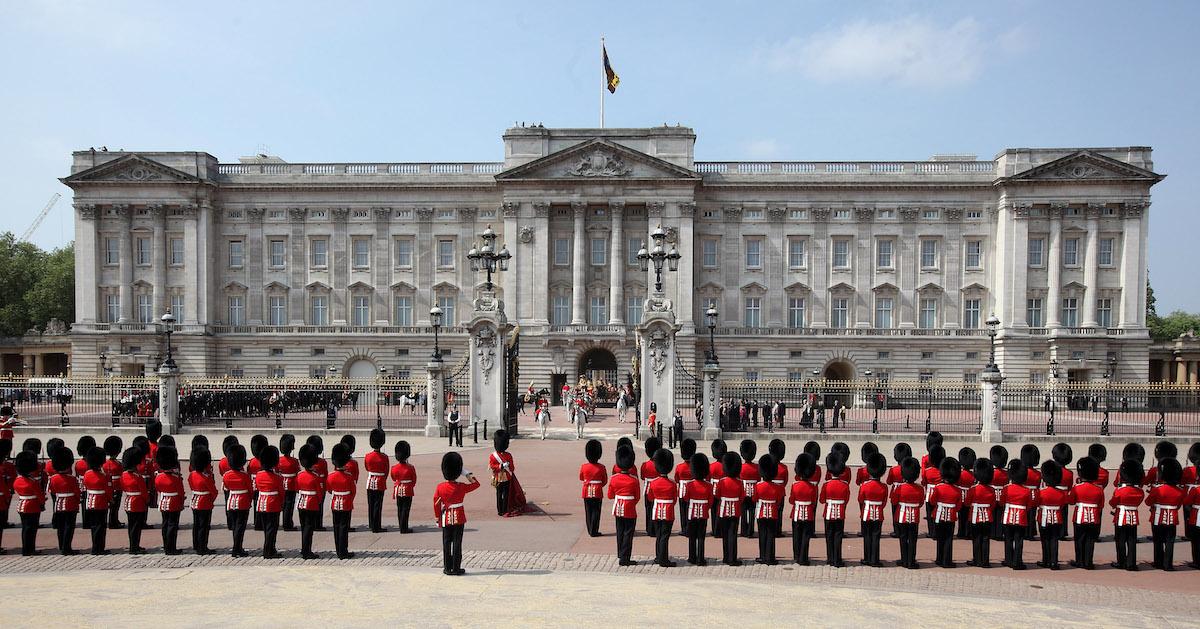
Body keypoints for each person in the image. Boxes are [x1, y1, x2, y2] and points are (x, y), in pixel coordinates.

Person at [434, 451, 480, 576]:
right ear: (457, 471)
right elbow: (476, 484)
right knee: (457, 543)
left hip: (445, 518)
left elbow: (436, 503)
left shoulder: (440, 487)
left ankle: (447, 567)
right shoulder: (461, 486)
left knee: (446, 543)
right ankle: (456, 567)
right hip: (459, 517)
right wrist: (466, 473)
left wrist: (437, 517)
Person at [1145, 457, 1184, 571]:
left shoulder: (1158, 489)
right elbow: (1178, 505)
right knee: (1170, 541)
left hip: (1157, 516)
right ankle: (1168, 564)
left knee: (1157, 540)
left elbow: (1148, 502)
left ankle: (1158, 562)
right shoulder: (1179, 491)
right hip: (1172, 518)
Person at [1111, 458, 1145, 571]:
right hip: (1133, 517)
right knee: (1131, 540)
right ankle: (1131, 563)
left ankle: (1121, 562)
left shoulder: (1120, 490)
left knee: (1120, 540)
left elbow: (1113, 503)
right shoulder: (1140, 491)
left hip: (1120, 516)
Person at [646, 449, 678, 567]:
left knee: (659, 535)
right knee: (665, 536)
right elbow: (674, 500)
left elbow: (650, 498)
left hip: (656, 511)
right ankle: (663, 560)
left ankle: (659, 557)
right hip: (668, 511)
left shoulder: (653, 483)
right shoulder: (672, 484)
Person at [608, 446, 640, 566]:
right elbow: (637, 497)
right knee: (628, 532)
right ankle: (625, 558)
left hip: (618, 507)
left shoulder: (614, 478)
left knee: (620, 531)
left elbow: (610, 495)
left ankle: (620, 553)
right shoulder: (634, 480)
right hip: (630, 507)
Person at [999, 460, 1032, 570]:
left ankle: (1008, 560)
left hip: (1008, 517)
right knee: (1019, 540)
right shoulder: (1027, 491)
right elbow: (1029, 506)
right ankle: (1017, 562)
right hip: (1021, 518)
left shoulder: (1006, 488)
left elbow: (1001, 503)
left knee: (1008, 539)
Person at [892, 457, 924, 569]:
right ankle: (911, 561)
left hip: (901, 516)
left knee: (903, 538)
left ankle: (904, 560)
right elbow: (920, 503)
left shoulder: (900, 488)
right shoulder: (920, 489)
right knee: (913, 539)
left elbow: (894, 501)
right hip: (914, 517)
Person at [930, 457, 962, 569]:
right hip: (951, 517)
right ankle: (946, 561)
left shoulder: (938, 487)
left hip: (938, 516)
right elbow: (958, 507)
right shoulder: (957, 490)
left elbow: (932, 501)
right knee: (948, 539)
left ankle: (939, 559)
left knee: (940, 539)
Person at [858, 453, 888, 567]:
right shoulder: (884, 487)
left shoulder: (865, 486)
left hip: (866, 513)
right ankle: (875, 559)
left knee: (867, 536)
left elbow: (861, 499)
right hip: (878, 513)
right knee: (876, 536)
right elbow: (884, 503)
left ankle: (867, 558)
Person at [1036, 461, 1067, 570]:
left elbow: (1036, 503)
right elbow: (1063, 505)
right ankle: (1054, 562)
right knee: (1054, 540)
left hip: (1043, 517)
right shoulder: (1061, 493)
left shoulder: (1041, 492)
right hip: (1057, 518)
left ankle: (1046, 561)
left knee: (1044, 540)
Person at [714, 451, 744, 566]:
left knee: (725, 534)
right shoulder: (739, 482)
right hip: (735, 510)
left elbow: (717, 495)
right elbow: (742, 497)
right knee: (733, 534)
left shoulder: (722, 482)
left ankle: (726, 557)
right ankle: (732, 558)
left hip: (723, 510)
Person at [820, 453, 850, 567]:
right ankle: (837, 559)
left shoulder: (826, 484)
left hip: (828, 513)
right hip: (840, 513)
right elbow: (846, 500)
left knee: (829, 536)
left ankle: (830, 558)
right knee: (838, 536)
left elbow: (822, 500)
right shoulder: (845, 485)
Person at [222, 444, 252, 558]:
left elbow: (226, 488)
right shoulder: (244, 476)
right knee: (240, 526)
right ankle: (237, 548)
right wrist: (249, 500)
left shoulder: (226, 475)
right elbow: (250, 490)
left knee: (235, 526)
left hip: (231, 502)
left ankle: (237, 547)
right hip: (243, 502)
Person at [48, 445, 79, 555]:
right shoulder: (72, 479)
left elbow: (51, 490)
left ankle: (62, 546)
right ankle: (67, 548)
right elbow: (77, 493)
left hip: (58, 504)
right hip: (70, 504)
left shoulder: (53, 478)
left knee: (60, 527)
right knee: (69, 527)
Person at [154, 446, 185, 555]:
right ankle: (171, 548)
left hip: (163, 502)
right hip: (174, 503)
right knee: (172, 525)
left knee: (165, 524)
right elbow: (181, 492)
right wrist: (182, 501)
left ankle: (166, 546)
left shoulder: (158, 477)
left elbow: (158, 489)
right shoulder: (175, 478)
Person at [328, 443, 356, 560]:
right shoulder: (349, 476)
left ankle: (338, 550)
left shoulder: (331, 476)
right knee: (343, 527)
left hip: (335, 502)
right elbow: (353, 492)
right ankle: (343, 551)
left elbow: (329, 490)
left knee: (336, 526)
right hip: (346, 503)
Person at [753, 454, 784, 565]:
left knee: (762, 534)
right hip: (773, 512)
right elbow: (779, 500)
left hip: (761, 512)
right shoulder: (778, 487)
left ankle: (762, 556)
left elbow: (754, 498)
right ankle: (770, 557)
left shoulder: (758, 486)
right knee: (771, 534)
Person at [254, 445, 284, 559]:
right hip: (273, 504)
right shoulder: (277, 477)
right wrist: (281, 502)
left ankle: (270, 548)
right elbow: (281, 493)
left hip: (262, 503)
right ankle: (268, 551)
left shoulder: (258, 475)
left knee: (267, 528)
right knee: (272, 528)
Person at [682, 452, 712, 566]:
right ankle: (700, 558)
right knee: (701, 537)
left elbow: (685, 498)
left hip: (692, 513)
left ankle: (692, 557)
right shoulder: (709, 485)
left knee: (692, 537)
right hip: (703, 513)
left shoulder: (689, 485)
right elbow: (710, 502)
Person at [965, 458, 995, 568]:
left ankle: (977, 559)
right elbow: (992, 505)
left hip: (975, 516)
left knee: (976, 538)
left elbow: (968, 503)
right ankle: (985, 561)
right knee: (986, 539)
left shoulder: (973, 489)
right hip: (987, 517)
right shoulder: (991, 490)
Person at [295, 445, 324, 559]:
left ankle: (304, 549)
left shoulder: (299, 475)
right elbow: (319, 493)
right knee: (309, 528)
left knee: (304, 527)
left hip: (301, 502)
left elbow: (297, 489)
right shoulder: (315, 477)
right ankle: (307, 551)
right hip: (311, 504)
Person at [790, 453, 818, 565]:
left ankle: (796, 556)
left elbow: (791, 500)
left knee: (796, 535)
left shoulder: (795, 485)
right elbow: (813, 502)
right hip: (808, 514)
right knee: (806, 536)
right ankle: (803, 557)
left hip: (796, 513)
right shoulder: (812, 487)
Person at [13, 450, 43, 556]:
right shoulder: (32, 482)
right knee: (32, 529)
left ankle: (25, 549)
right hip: (33, 506)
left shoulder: (17, 481)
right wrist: (42, 503)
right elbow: (40, 496)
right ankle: (30, 549)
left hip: (22, 505)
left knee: (25, 529)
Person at [187, 447, 215, 556]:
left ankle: (196, 544)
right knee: (204, 526)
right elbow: (214, 491)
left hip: (195, 501)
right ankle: (202, 547)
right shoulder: (206, 477)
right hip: (205, 503)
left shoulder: (192, 475)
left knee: (196, 524)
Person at [490, 430, 523, 517]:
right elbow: (511, 468)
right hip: (504, 477)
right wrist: (502, 466)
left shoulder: (492, 456)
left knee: (500, 494)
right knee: (503, 494)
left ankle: (501, 510)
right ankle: (503, 510)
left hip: (499, 477)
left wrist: (504, 466)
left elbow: (493, 466)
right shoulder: (508, 455)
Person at [579, 439, 606, 537]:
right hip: (598, 490)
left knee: (588, 511)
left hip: (586, 491)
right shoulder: (601, 467)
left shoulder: (584, 466)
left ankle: (590, 529)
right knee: (596, 511)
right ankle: (594, 530)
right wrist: (598, 485)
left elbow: (581, 477)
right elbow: (604, 480)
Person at [364, 428, 388, 534]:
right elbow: (386, 471)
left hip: (370, 481)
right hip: (380, 482)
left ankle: (371, 523)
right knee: (378, 505)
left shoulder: (368, 456)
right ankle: (376, 526)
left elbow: (366, 467)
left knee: (371, 503)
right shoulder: (384, 457)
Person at [886, 443, 912, 538]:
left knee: (895, 512)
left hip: (895, 492)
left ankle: (897, 531)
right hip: (907, 490)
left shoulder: (894, 469)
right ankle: (906, 530)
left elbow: (889, 482)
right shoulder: (909, 468)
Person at [390, 441, 416, 533]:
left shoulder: (394, 468)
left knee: (399, 508)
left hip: (398, 489)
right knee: (406, 509)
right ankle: (404, 527)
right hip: (408, 489)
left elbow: (393, 478)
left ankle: (401, 526)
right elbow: (414, 480)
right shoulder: (410, 467)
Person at [1018, 444, 1042, 542]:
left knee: (1024, 514)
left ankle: (1024, 532)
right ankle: (1031, 533)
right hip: (1034, 494)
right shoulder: (1038, 473)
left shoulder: (1023, 472)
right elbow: (1038, 484)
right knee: (1032, 514)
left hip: (1024, 493)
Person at [276, 435, 299, 532]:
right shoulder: (294, 461)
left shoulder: (278, 460)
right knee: (289, 505)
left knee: (282, 504)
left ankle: (283, 522)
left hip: (281, 484)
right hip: (291, 485)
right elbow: (297, 472)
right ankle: (287, 523)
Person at [640, 437, 662, 536]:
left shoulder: (645, 465)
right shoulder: (659, 464)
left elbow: (642, 477)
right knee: (656, 508)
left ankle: (649, 529)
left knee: (648, 508)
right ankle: (656, 528)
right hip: (658, 488)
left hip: (648, 488)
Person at [673, 439, 696, 534]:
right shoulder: (694, 466)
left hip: (682, 490)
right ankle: (690, 528)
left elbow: (676, 479)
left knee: (683, 511)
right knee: (691, 510)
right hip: (693, 490)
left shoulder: (679, 467)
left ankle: (684, 528)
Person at [987, 446, 1010, 541]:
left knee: (992, 514)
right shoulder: (1006, 473)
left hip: (992, 494)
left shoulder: (992, 472)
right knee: (1000, 514)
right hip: (1002, 495)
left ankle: (992, 533)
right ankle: (999, 533)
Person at [102, 436, 124, 530]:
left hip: (108, 486)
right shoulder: (118, 464)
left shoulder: (105, 463)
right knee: (115, 506)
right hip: (117, 487)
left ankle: (113, 521)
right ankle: (113, 522)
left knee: (111, 505)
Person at [738, 440, 759, 539]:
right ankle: (750, 530)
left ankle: (743, 530)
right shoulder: (757, 467)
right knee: (752, 511)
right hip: (754, 490)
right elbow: (758, 479)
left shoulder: (741, 467)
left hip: (743, 490)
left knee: (743, 511)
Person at [768, 439, 788, 539]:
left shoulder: (770, 465)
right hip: (780, 491)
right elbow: (785, 481)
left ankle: (771, 529)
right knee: (779, 512)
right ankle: (778, 531)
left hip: (770, 490)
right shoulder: (784, 468)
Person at [708, 439, 727, 538]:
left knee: (714, 510)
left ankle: (715, 530)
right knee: (722, 511)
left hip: (713, 490)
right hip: (724, 490)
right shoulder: (726, 466)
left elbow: (707, 478)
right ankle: (721, 530)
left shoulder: (711, 466)